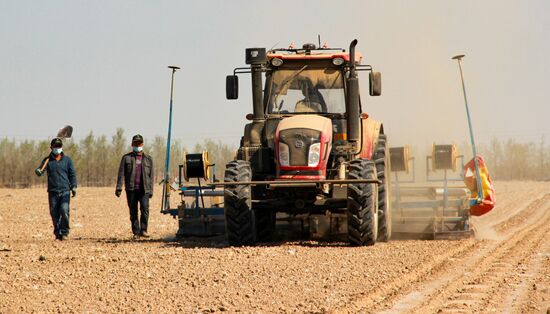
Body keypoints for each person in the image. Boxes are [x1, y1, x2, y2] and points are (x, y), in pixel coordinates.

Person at [35, 137, 77, 241]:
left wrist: (74, 186)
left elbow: (72, 174)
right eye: (55, 147)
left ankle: (65, 232)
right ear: (51, 148)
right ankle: (58, 233)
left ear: (61, 147)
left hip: (65, 191)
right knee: (54, 214)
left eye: (59, 146)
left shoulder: (67, 160)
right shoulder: (47, 160)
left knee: (64, 210)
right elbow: (41, 170)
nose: (57, 148)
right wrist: (38, 171)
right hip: (53, 192)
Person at [115, 134, 154, 239]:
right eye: (135, 143)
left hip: (144, 189)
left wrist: (151, 190)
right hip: (131, 189)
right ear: (132, 144)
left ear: (143, 144)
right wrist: (119, 187)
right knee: (133, 212)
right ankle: (136, 232)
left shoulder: (148, 159)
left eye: (139, 143)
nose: (138, 145)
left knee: (145, 209)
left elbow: (151, 176)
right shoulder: (126, 158)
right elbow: (121, 173)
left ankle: (144, 230)